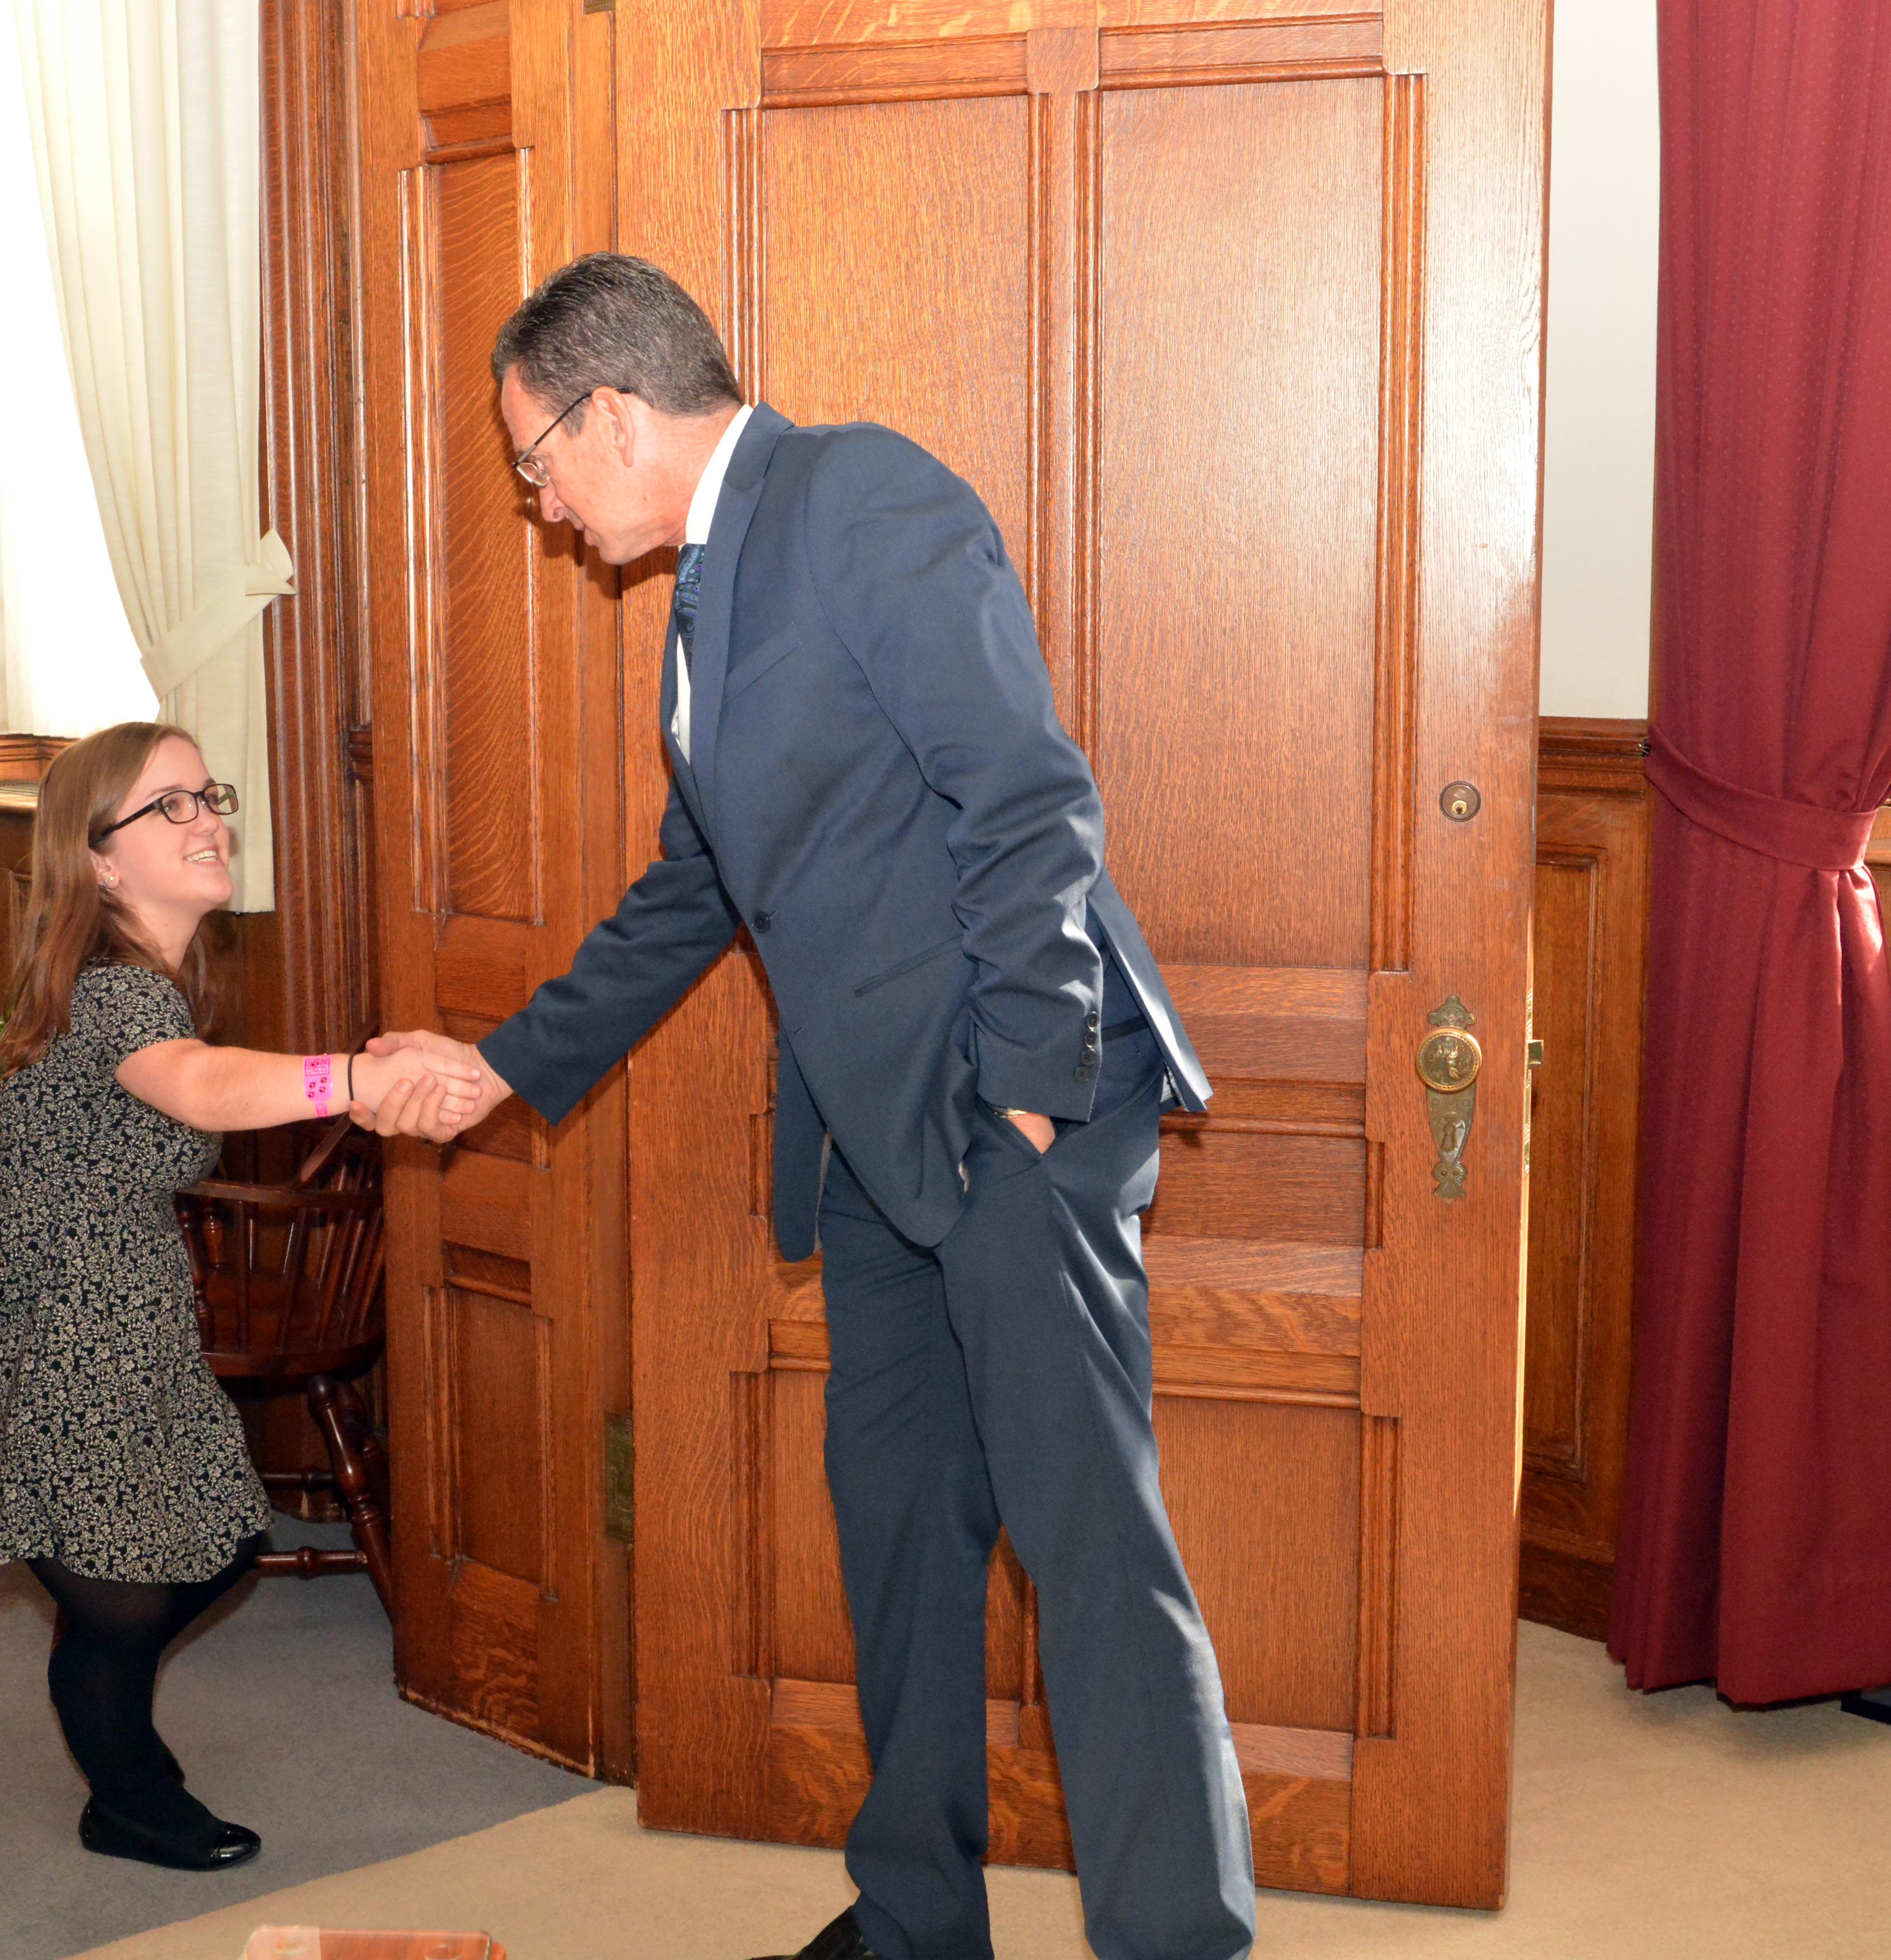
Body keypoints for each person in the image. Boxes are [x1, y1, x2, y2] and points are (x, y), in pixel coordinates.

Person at [376, 255, 1254, 1960]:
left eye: (535, 461)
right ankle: (918, 1925)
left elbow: (1027, 802)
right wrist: (503, 1065)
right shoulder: (705, 593)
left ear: (613, 414)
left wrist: (1020, 1109)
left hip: (1017, 1123)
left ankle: (1181, 1943)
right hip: (874, 1152)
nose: (539, 503)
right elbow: (695, 889)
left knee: (1091, 1558)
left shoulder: (861, 496)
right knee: (908, 1550)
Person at [0, 722, 478, 1870]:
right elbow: (195, 1088)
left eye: (209, 796)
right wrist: (355, 1077)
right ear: (99, 859)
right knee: (121, 1600)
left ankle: (122, 1763)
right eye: (171, 806)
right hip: (69, 1349)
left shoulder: (152, 981)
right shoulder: (115, 996)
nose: (209, 820)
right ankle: (134, 1795)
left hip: (129, 1326)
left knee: (218, 1546)